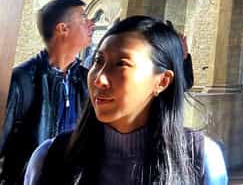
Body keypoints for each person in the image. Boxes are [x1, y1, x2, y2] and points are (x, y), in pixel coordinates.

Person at [23, 15, 227, 185]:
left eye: (121, 64)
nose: (99, 79)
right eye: (98, 61)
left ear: (162, 81)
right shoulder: (50, 157)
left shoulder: (200, 159)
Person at [0, 0, 94, 184]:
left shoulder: (88, 80)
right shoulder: (22, 80)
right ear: (62, 29)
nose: (91, 23)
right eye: (83, 18)